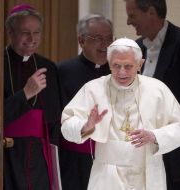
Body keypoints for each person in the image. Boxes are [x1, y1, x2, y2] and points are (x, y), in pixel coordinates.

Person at [61, 37, 180, 190]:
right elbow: (67, 126)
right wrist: (85, 126)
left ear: (139, 64)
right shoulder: (93, 89)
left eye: (128, 66)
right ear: (109, 64)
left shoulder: (157, 90)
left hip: (147, 172)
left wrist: (154, 136)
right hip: (106, 175)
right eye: (116, 66)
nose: (122, 72)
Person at [124, 0, 180, 190]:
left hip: (178, 159)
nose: (128, 21)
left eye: (132, 15)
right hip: (141, 156)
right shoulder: (135, 48)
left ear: (151, 12)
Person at [4, 4, 62, 190]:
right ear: (10, 32)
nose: (32, 39)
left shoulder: (48, 67)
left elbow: (55, 119)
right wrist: (26, 94)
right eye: (25, 32)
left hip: (38, 156)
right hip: (5, 154)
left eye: (36, 33)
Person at [57, 14, 113, 190]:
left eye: (109, 38)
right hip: (73, 159)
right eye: (98, 39)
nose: (105, 44)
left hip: (110, 157)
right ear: (81, 41)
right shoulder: (61, 71)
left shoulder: (120, 72)